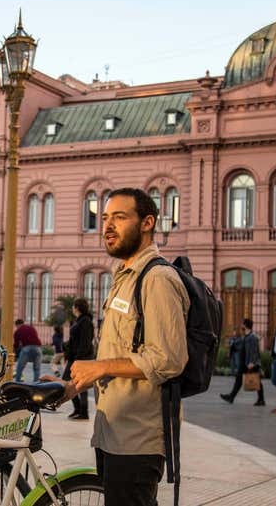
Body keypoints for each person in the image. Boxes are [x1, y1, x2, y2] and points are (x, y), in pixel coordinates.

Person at [62, 188, 190, 506]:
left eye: (119, 217)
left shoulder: (157, 279)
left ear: (147, 223)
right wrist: (70, 387)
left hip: (138, 439)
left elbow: (168, 359)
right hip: (114, 431)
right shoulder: (125, 277)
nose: (107, 225)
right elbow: (121, 353)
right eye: (105, 217)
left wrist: (100, 366)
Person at [221, 318, 265, 406]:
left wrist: (252, 362)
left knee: (257, 381)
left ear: (245, 325)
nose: (241, 326)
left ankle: (261, 400)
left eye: (242, 324)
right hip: (244, 363)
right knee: (238, 380)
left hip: (249, 363)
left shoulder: (252, 337)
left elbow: (254, 351)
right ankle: (231, 397)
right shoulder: (246, 336)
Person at [63, 298, 95, 420]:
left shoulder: (85, 321)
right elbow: (74, 340)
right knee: (70, 382)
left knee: (80, 384)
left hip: (81, 358)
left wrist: (78, 359)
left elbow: (85, 342)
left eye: (73, 306)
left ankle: (83, 411)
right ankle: (78, 409)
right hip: (75, 356)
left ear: (77, 308)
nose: (72, 308)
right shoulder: (78, 321)